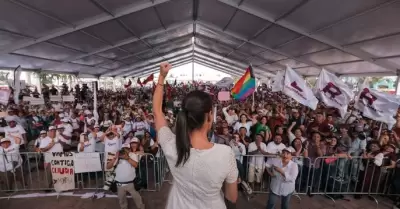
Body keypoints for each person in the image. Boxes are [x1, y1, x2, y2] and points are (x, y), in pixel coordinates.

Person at [153, 62, 238, 209]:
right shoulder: (225, 153)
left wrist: (161, 77)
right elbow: (232, 197)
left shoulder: (171, 145)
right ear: (210, 117)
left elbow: (157, 112)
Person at [106, 143, 145, 209]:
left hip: (131, 183)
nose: (125, 150)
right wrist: (115, 158)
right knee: (122, 200)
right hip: (119, 184)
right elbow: (108, 167)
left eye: (127, 149)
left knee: (137, 198)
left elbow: (136, 165)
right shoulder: (116, 156)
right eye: (123, 149)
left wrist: (127, 158)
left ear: (129, 149)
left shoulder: (133, 155)